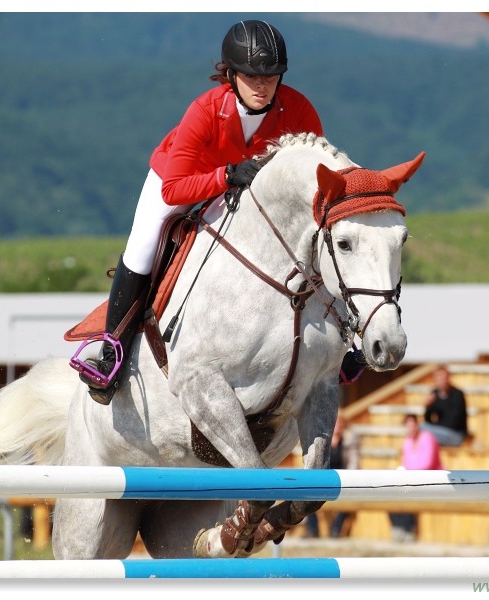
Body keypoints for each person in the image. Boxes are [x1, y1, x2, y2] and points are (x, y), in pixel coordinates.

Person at [78, 19, 325, 405]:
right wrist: (225, 175)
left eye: (271, 76)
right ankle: (113, 352)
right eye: (251, 76)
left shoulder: (298, 109)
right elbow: (173, 189)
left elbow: (316, 176)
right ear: (231, 75)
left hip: (245, 187)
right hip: (183, 179)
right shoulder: (206, 109)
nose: (262, 85)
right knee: (143, 246)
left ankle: (339, 342)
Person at [389, 413, 444, 542]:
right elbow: (405, 462)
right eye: (408, 426)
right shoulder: (407, 441)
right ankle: (400, 529)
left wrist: (409, 473)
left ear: (417, 425)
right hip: (414, 479)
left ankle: (408, 530)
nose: (410, 428)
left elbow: (428, 463)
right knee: (392, 493)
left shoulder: (427, 437)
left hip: (432, 479)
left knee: (407, 494)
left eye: (412, 425)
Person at [304, 413, 360, 538]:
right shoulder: (322, 441)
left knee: (348, 498)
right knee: (307, 494)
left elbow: (353, 462)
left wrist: (349, 479)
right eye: (335, 422)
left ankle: (336, 529)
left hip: (342, 478)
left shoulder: (349, 441)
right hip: (323, 478)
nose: (337, 425)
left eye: (339, 422)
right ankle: (313, 530)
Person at [420, 364, 469, 447]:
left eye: (443, 378)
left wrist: (437, 427)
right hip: (441, 433)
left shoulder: (457, 395)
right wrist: (428, 407)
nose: (441, 381)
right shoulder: (434, 394)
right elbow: (428, 420)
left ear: (448, 378)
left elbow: (454, 422)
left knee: (422, 428)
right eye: (438, 378)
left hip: (456, 434)